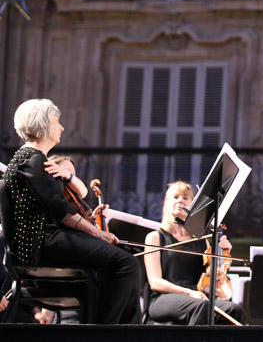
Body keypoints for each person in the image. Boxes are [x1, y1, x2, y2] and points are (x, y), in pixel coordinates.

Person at [2, 98, 141, 324]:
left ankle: (126, 328)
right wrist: (97, 233)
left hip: (43, 240)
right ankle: (104, 332)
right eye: (57, 122)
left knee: (121, 260)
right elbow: (62, 212)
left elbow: (75, 197)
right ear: (44, 123)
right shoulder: (33, 160)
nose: (62, 128)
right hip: (43, 242)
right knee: (126, 263)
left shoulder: (26, 159)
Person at [144, 181, 245, 325]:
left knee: (234, 310)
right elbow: (155, 282)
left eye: (185, 198)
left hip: (198, 297)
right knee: (201, 306)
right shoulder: (155, 237)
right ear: (167, 204)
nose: (180, 201)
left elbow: (212, 277)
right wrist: (188, 293)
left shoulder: (202, 241)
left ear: (193, 206)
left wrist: (224, 255)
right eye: (175, 197)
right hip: (164, 298)